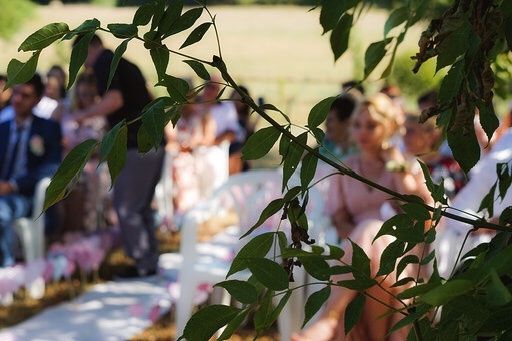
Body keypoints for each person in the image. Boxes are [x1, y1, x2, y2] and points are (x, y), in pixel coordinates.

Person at [294, 93, 429, 341]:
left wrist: (396, 166)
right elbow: (339, 217)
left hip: (400, 252)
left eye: (372, 125)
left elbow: (420, 209)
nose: (363, 132)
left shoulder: (404, 166)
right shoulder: (345, 169)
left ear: (388, 128)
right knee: (367, 237)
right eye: (357, 125)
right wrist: (361, 247)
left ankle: (329, 319)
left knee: (371, 229)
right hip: (357, 252)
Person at [72, 34, 164, 277]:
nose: (83, 65)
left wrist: (81, 116)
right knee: (141, 207)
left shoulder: (105, 63)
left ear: (88, 49)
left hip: (135, 144)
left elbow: (114, 100)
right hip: (152, 141)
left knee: (127, 207)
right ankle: (149, 260)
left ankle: (142, 263)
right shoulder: (125, 63)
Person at [0, 74, 62, 267]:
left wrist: (12, 186)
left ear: (37, 99)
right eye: (16, 93)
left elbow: (52, 167)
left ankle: (5, 270)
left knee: (1, 210)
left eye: (25, 95)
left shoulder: (48, 128)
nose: (17, 99)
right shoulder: (2, 127)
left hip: (27, 196)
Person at [52, 72, 108, 233]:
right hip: (66, 161)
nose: (87, 98)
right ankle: (63, 228)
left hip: (92, 162)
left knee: (92, 176)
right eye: (83, 94)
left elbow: (105, 143)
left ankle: (88, 229)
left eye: (92, 94)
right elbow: (50, 134)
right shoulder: (64, 109)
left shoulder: (102, 113)